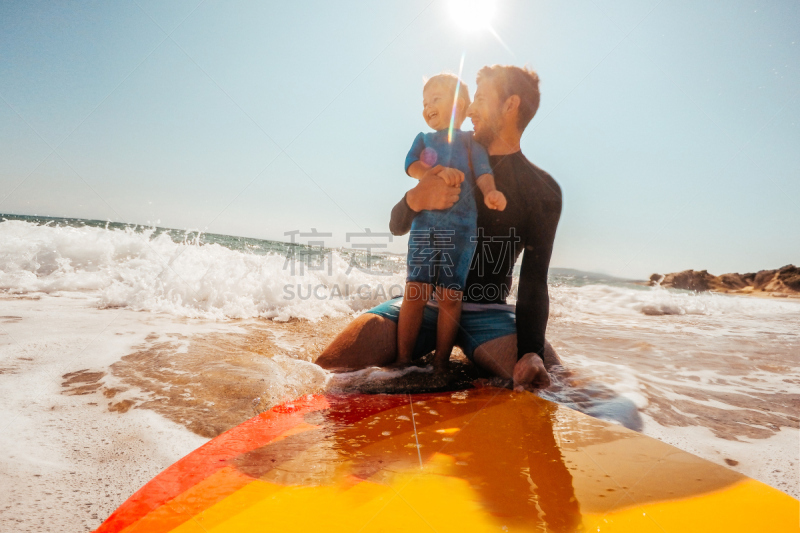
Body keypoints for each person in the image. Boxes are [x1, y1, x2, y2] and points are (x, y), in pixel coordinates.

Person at [316, 65, 562, 390]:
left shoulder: (542, 190)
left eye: (481, 100)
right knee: (331, 368)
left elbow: (534, 282)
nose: (470, 109)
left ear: (510, 105)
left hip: (487, 311)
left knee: (550, 380)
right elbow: (397, 224)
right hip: (426, 303)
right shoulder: (452, 152)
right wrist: (414, 199)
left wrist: (530, 351)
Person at [394, 73, 507, 377]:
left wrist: (490, 192)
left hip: (461, 232)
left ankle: (441, 361)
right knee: (415, 291)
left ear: (458, 104)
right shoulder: (424, 139)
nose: (427, 107)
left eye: (435, 99)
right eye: (424, 102)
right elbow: (410, 164)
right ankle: (403, 359)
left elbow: (483, 172)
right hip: (424, 229)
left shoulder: (471, 142)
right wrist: (435, 170)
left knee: (450, 296)